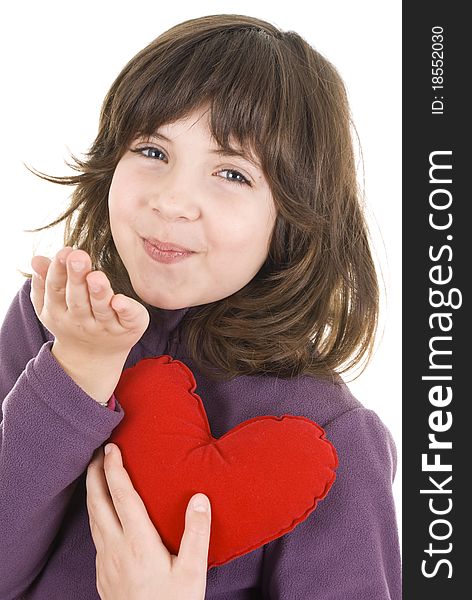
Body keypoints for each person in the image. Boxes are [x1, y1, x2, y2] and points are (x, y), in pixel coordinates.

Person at [0, 13, 401, 600]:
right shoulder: (53, 322)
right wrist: (76, 372)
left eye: (232, 173)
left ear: (290, 219)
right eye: (153, 151)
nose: (173, 201)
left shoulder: (327, 435)